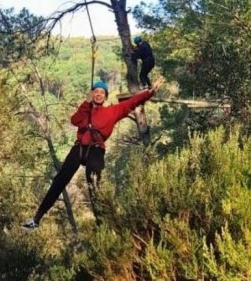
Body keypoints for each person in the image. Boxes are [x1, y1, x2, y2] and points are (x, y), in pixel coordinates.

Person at [21, 76, 164, 231]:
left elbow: (132, 102)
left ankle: (103, 225)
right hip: (80, 147)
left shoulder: (112, 111)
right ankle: (37, 218)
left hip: (96, 148)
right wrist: (86, 102)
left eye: (102, 92)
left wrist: (150, 92)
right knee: (60, 180)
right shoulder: (85, 110)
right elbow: (74, 120)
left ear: (106, 96)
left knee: (94, 183)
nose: (99, 94)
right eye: (96, 92)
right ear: (92, 95)